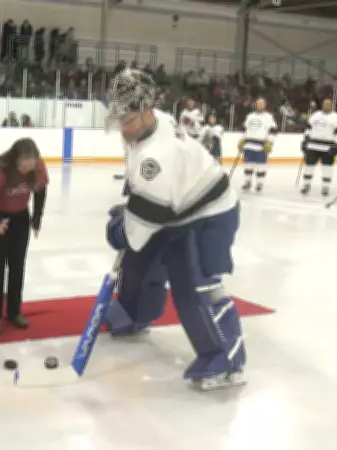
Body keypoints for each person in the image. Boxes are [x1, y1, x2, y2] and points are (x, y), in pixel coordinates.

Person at [103, 69, 244, 391]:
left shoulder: (157, 156)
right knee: (139, 263)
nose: (123, 127)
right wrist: (133, 205)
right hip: (175, 206)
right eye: (120, 118)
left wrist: (118, 230)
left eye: (128, 120)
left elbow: (138, 230)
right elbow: (141, 184)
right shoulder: (156, 122)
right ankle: (135, 314)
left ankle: (226, 358)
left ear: (146, 111)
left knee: (195, 285)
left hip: (208, 215)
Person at [0, 138, 48, 334]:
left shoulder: (38, 167)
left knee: (17, 265)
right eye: (23, 165)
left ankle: (14, 311)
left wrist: (36, 219)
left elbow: (40, 192)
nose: (26, 170)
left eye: (30, 166)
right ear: (15, 159)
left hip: (20, 217)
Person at [300, 98, 337, 197]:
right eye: (325, 104)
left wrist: (336, 144)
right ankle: (306, 185)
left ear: (331, 106)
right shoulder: (316, 115)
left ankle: (325, 187)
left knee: (327, 168)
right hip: (312, 146)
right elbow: (308, 127)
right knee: (309, 166)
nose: (326, 106)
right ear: (322, 105)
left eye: (328, 104)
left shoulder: (335, 117)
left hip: (328, 147)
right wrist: (305, 139)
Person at [238, 98, 277, 193]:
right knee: (248, 165)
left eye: (262, 104)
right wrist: (242, 140)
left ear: (265, 105)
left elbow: (273, 131)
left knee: (261, 166)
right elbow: (245, 129)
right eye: (258, 104)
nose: (260, 106)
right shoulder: (250, 116)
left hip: (261, 145)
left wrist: (270, 142)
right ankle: (247, 182)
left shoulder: (269, 117)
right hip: (249, 144)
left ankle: (259, 183)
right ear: (256, 105)